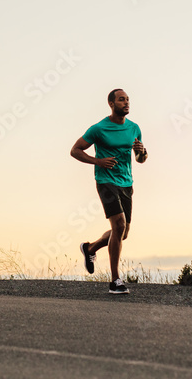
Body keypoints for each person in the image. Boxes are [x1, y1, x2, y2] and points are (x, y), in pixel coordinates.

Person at [70, 88, 147, 294]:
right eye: (121, 100)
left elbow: (140, 159)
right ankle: (115, 281)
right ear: (111, 104)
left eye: (128, 99)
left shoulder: (134, 128)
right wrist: (98, 161)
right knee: (119, 224)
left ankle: (90, 248)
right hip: (105, 181)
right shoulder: (99, 129)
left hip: (126, 183)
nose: (126, 103)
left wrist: (142, 153)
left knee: (123, 233)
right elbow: (75, 150)